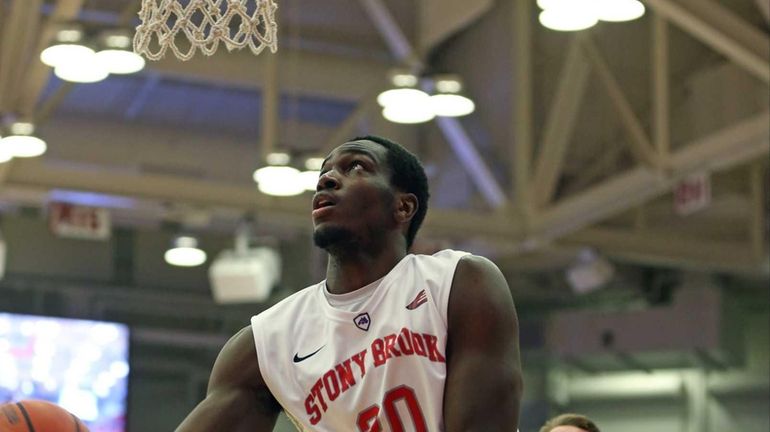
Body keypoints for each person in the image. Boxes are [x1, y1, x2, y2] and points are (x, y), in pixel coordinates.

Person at [176, 135, 523, 431]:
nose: (327, 179)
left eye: (356, 167)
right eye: (324, 173)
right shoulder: (267, 343)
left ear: (403, 207)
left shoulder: (459, 282)